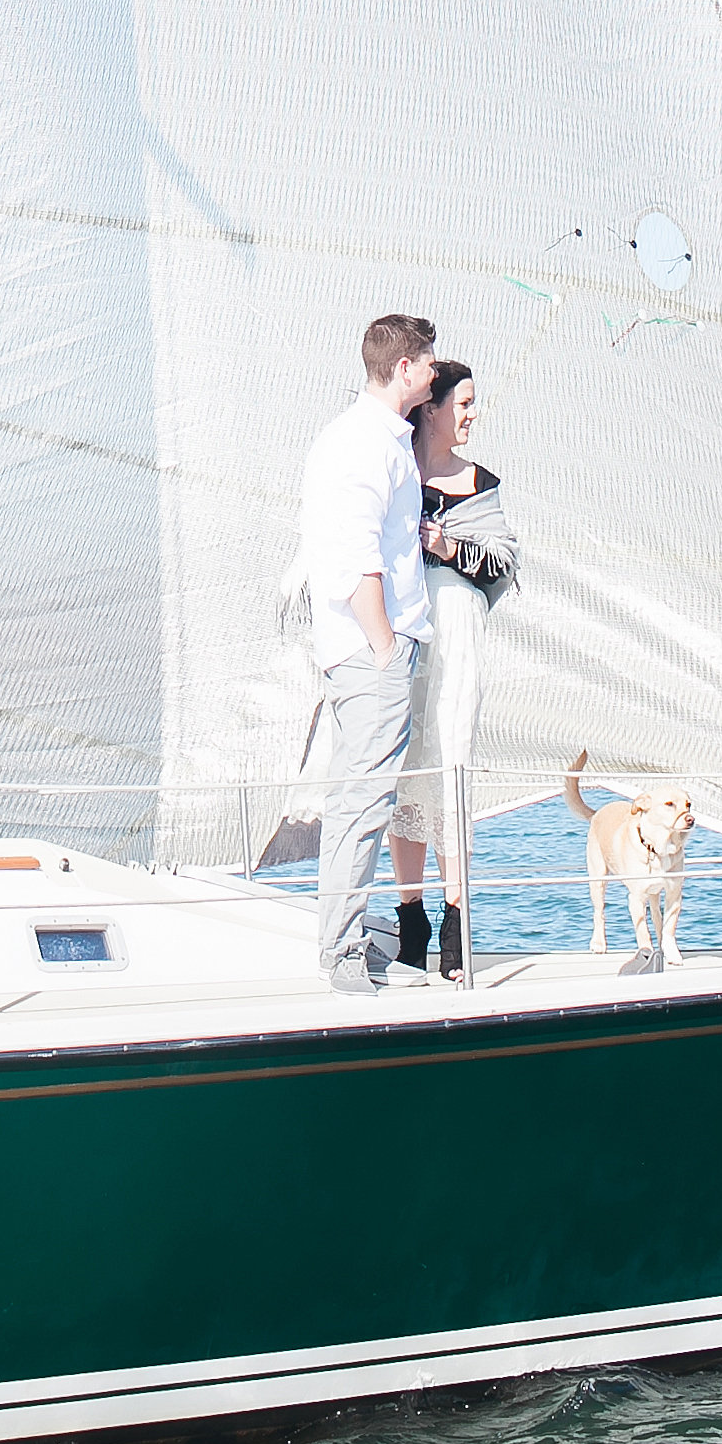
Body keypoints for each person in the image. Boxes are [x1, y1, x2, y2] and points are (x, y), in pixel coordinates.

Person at [300, 311, 440, 994]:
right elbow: (356, 556)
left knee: (361, 798)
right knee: (363, 800)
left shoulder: (374, 438)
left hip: (367, 646)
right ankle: (344, 954)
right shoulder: (366, 443)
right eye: (427, 361)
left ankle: (343, 941)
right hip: (369, 649)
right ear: (403, 368)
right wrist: (385, 645)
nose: (435, 371)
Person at [389, 360, 519, 983]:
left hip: (457, 645)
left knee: (451, 765)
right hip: (403, 643)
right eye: (463, 403)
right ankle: (410, 919)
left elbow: (501, 567)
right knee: (405, 776)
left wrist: (446, 546)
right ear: (432, 408)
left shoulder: (481, 484)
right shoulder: (392, 469)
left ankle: (457, 917)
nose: (472, 415)